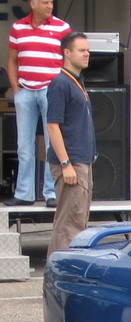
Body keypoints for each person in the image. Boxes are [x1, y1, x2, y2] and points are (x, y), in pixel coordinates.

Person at [5, 0, 70, 206]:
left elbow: (69, 60)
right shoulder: (18, 27)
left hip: (51, 91)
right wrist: (16, 90)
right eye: (44, 2)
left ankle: (51, 193)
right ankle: (24, 194)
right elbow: (11, 60)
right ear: (33, 4)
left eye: (51, 2)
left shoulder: (62, 27)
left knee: (53, 144)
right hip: (25, 90)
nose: (49, 6)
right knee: (24, 145)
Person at [46, 32, 95, 256]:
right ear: (66, 53)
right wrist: (66, 164)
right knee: (68, 224)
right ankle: (59, 270)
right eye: (81, 50)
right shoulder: (60, 83)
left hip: (83, 161)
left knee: (79, 220)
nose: (87, 54)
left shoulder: (77, 82)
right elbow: (52, 126)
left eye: (88, 50)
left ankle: (70, 267)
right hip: (71, 163)